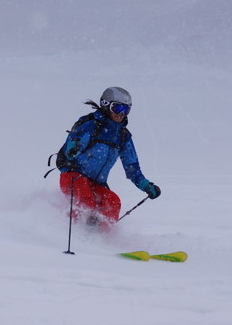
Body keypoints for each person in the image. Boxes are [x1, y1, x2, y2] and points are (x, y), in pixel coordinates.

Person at [58, 87, 161, 231]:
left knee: (113, 202)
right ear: (106, 105)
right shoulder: (91, 126)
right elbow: (71, 148)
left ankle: (102, 238)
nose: (121, 114)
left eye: (126, 110)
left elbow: (132, 167)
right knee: (88, 203)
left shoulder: (123, 136)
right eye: (117, 108)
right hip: (73, 176)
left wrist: (146, 186)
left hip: (95, 183)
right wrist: (73, 148)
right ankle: (77, 234)